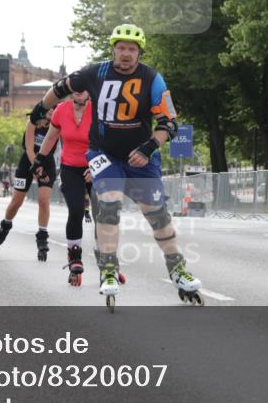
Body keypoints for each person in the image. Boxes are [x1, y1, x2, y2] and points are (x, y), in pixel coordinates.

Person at [27, 24, 202, 307]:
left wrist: (148, 147)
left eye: (132, 49)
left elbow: (169, 123)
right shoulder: (95, 72)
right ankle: (108, 270)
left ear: (139, 53)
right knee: (108, 204)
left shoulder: (153, 79)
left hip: (141, 155)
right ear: (113, 49)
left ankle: (178, 270)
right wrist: (40, 108)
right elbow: (60, 87)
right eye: (121, 48)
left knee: (157, 214)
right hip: (103, 153)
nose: (126, 54)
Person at [32, 89, 107, 286]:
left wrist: (97, 167)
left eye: (84, 89)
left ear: (89, 91)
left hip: (97, 165)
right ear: (71, 92)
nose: (80, 92)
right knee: (75, 210)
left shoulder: (99, 111)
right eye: (76, 89)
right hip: (71, 167)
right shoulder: (61, 111)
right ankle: (74, 257)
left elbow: (110, 143)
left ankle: (106, 260)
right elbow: (50, 138)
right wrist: (39, 159)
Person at [0, 108, 57, 260]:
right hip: (27, 162)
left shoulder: (57, 125)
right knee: (16, 202)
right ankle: (6, 225)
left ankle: (42, 237)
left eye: (55, 109)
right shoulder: (32, 123)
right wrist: (36, 167)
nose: (52, 111)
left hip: (47, 164)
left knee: (43, 201)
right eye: (49, 108)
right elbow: (29, 148)